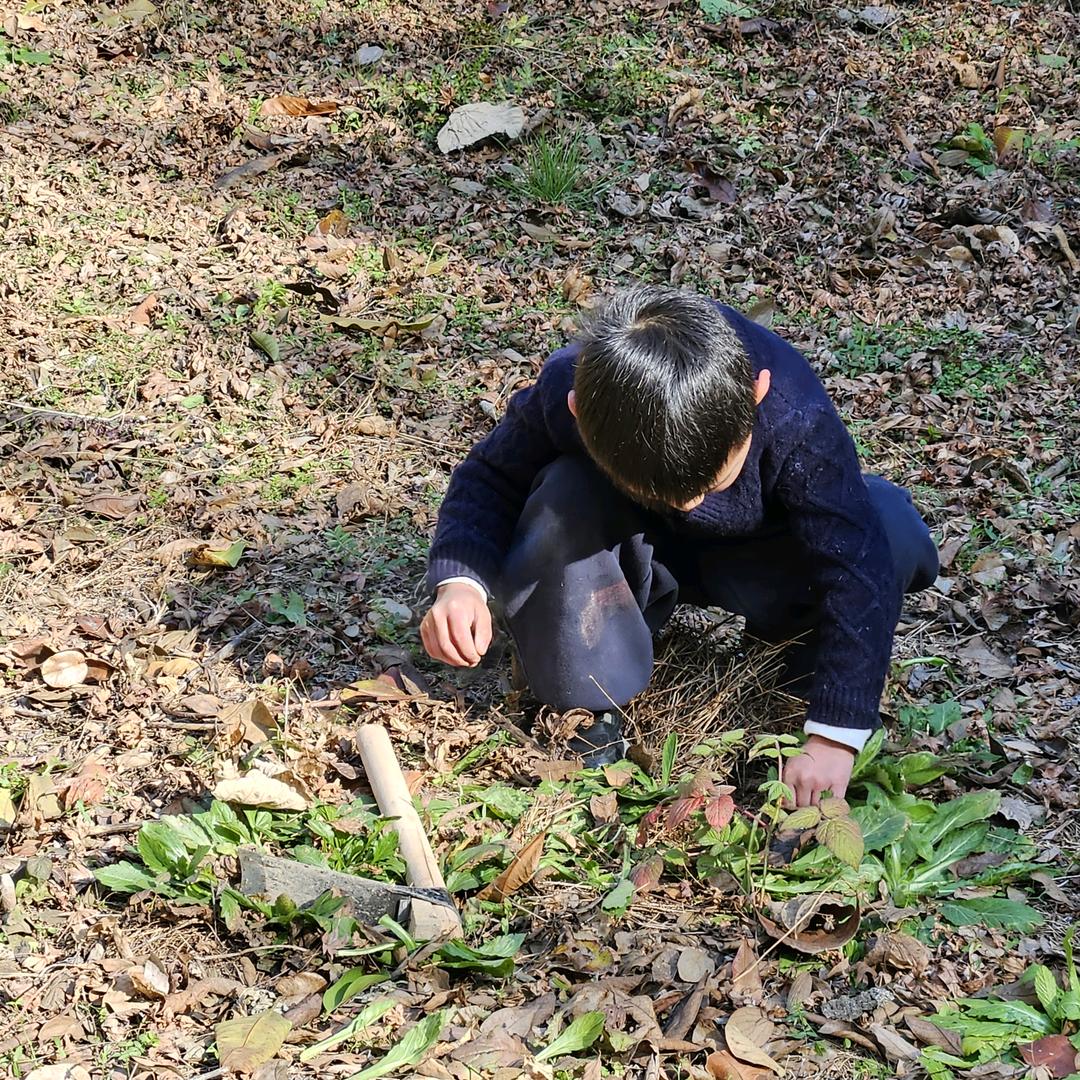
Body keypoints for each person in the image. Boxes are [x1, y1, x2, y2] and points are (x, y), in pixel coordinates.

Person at [420, 287, 938, 808]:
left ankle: (794, 688)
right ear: (576, 412)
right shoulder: (569, 388)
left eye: (712, 482)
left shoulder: (794, 413)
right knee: (561, 494)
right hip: (631, 551)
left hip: (759, 557)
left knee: (888, 530)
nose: (690, 502)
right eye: (660, 488)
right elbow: (491, 477)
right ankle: (588, 691)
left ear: (756, 396)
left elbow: (852, 560)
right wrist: (461, 581)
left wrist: (836, 733)